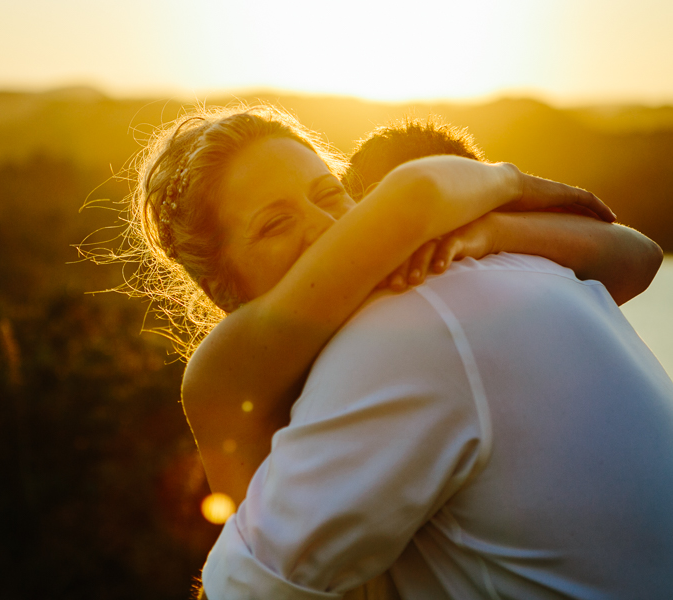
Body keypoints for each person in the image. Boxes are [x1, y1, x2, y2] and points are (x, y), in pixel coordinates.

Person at [120, 104, 667, 597]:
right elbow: (636, 257)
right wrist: (501, 214)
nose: (328, 227)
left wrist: (498, 204)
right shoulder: (521, 273)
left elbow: (245, 594)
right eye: (276, 224)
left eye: (329, 195)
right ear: (226, 289)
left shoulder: (398, 331)